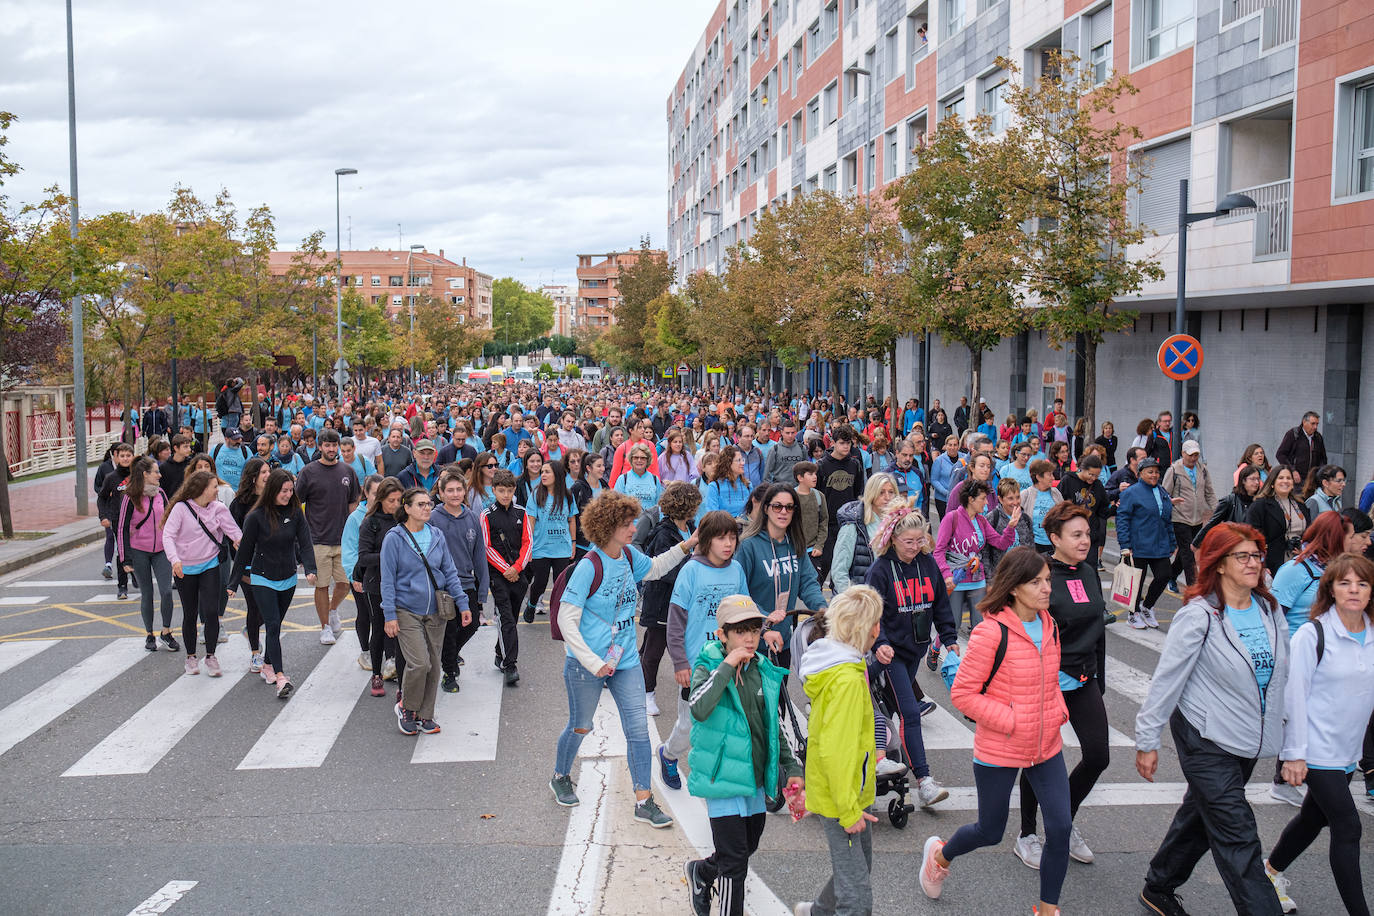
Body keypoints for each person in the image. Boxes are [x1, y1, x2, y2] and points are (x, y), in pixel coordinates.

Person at [1134, 523, 1289, 916]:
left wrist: (1294, 742)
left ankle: (1159, 886)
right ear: (1218, 564)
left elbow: (1284, 678)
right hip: (1203, 735)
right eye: (1243, 556)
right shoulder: (1200, 615)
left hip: (1247, 733)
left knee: (1203, 814)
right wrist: (1147, 740)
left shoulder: (1269, 609)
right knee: (1238, 833)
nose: (1254, 563)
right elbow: (1167, 681)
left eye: (1257, 554)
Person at [920, 547, 1071, 916]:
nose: (1046, 588)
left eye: (1048, 580)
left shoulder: (1049, 624)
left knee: (1061, 827)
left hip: (1045, 745)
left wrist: (1057, 712)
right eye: (1036, 582)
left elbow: (1048, 682)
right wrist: (1012, 720)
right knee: (990, 830)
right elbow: (963, 694)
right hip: (1001, 746)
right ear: (1015, 587)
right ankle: (940, 855)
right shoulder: (991, 633)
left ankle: (1048, 909)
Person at [548, 488, 696, 829]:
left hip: (626, 659)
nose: (634, 528)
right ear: (607, 527)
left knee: (639, 731)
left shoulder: (628, 556)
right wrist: (592, 661)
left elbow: (656, 567)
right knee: (580, 725)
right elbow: (566, 620)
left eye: (633, 522)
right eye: (627, 524)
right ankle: (560, 775)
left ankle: (643, 801)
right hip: (587, 664)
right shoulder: (589, 566)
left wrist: (688, 545)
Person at [1264, 553, 1374, 916]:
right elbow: (1293, 697)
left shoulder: (1372, 633)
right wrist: (1293, 754)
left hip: (1346, 751)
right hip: (1315, 749)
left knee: (1314, 818)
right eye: (1345, 583)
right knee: (1348, 825)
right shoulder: (1313, 635)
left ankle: (1270, 871)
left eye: (1362, 583)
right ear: (1330, 589)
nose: (1354, 590)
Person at [682, 592, 803, 916]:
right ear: (722, 634)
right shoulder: (708, 664)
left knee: (746, 848)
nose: (749, 637)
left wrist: (791, 767)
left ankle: (702, 872)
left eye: (753, 629)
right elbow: (698, 709)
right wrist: (726, 666)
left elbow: (771, 727)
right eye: (740, 631)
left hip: (754, 778)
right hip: (722, 777)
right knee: (735, 865)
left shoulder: (762, 668)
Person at [1013, 505, 1109, 871]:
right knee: (1037, 760)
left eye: (1087, 534)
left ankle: (1062, 824)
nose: (1085, 541)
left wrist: (1099, 678)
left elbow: (1099, 625)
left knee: (1098, 756)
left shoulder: (1088, 571)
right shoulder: (1038, 572)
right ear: (1054, 538)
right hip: (1046, 680)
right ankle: (1026, 835)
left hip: (1085, 678)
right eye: (1076, 535)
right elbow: (1020, 628)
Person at [794, 585, 884, 916]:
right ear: (868, 628)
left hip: (850, 792)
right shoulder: (846, 678)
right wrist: (848, 811)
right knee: (857, 900)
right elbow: (836, 751)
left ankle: (817, 911)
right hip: (841, 798)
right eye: (877, 622)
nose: (879, 629)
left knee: (857, 871)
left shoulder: (842, 663)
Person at [865, 504, 957, 808]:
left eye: (921, 541)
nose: (915, 547)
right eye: (909, 542)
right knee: (910, 712)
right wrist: (879, 641)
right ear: (893, 538)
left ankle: (881, 761)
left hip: (915, 649)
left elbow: (941, 605)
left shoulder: (927, 565)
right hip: (891, 655)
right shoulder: (879, 570)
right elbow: (870, 614)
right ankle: (925, 782)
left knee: (889, 714)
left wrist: (949, 639)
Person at [660, 510, 753, 790]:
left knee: (727, 720)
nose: (728, 544)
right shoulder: (691, 570)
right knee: (690, 724)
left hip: (730, 659)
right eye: (721, 538)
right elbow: (676, 620)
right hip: (697, 664)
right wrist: (680, 663)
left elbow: (745, 610)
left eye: (733, 538)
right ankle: (668, 754)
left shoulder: (736, 570)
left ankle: (718, 771)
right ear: (707, 540)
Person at [1268, 512, 1348, 807]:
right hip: (1298, 656)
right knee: (1296, 715)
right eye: (1353, 537)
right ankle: (1283, 779)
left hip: (1328, 657)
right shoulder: (1295, 570)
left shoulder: (1339, 571)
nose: (1362, 543)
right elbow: (1275, 616)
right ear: (1335, 539)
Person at [380, 487, 472, 737]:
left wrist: (463, 604)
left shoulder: (437, 535)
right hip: (406, 609)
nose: (426, 508)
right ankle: (407, 707)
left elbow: (450, 572)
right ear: (407, 508)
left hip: (436, 610)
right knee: (419, 662)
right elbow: (387, 580)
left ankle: (425, 714)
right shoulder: (394, 538)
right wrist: (389, 615)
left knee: (433, 664)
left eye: (429, 504)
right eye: (420, 504)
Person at [227, 468, 316, 698]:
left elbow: (305, 543)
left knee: (275, 626)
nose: (288, 494)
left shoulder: (296, 513)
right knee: (273, 625)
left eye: (290, 490)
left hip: (287, 577)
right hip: (262, 577)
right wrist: (233, 582)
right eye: (283, 491)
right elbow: (244, 551)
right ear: (272, 490)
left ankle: (268, 664)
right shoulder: (255, 517)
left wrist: (310, 569)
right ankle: (280, 677)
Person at [735, 481, 828, 671]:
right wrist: (763, 625)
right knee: (758, 700)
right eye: (777, 506)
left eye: (789, 507)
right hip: (752, 640)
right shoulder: (748, 546)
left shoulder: (795, 543)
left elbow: (808, 583)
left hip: (783, 639)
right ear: (766, 509)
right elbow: (739, 594)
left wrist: (823, 610)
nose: (783, 511)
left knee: (778, 695)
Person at [162, 470, 242, 676]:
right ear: (202, 489)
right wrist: (175, 559)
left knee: (211, 611)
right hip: (185, 567)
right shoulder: (181, 508)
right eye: (214, 487)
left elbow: (234, 532)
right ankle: (190, 657)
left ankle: (211, 656)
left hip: (209, 565)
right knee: (190, 613)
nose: (218, 490)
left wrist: (241, 543)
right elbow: (168, 535)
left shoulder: (219, 509)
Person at [639, 482, 702, 717]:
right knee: (654, 650)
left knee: (674, 645)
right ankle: (647, 693)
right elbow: (663, 569)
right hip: (662, 601)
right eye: (694, 503)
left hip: (685, 600)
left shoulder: (691, 527)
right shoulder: (664, 532)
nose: (697, 507)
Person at [295, 428, 362, 645]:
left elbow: (354, 502)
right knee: (322, 585)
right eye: (327, 445)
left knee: (344, 583)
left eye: (335, 446)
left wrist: (353, 532)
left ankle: (333, 610)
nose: (332, 449)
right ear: (320, 446)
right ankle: (324, 627)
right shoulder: (308, 472)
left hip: (344, 540)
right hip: (318, 539)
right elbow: (297, 502)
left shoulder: (348, 471)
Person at [430, 469, 489, 694]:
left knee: (472, 624)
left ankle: (451, 655)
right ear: (442, 493)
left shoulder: (472, 518)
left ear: (465, 491)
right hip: (442, 586)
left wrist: (482, 589)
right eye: (450, 490)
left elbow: (479, 556)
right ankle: (449, 672)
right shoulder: (434, 518)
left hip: (466, 583)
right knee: (450, 629)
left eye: (459, 489)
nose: (455, 494)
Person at [936, 478, 1020, 635]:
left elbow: (1001, 543)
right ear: (970, 499)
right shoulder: (952, 518)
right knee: (952, 625)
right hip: (956, 580)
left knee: (980, 626)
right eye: (983, 498)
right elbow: (939, 550)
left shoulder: (981, 520)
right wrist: (947, 575)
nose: (987, 503)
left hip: (977, 580)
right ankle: (936, 650)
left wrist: (1010, 527)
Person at [116, 457, 177, 652]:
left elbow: (170, 521)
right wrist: (125, 558)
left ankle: (166, 631)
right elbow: (122, 528)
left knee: (167, 591)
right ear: (145, 474)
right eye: (156, 472)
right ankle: (149, 634)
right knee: (147, 593)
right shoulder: (129, 496)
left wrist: (176, 550)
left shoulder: (161, 493)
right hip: (139, 551)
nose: (160, 475)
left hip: (161, 550)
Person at [481, 468, 532, 686]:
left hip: (518, 573)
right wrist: (505, 569)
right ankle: (510, 664)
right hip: (498, 574)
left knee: (511, 616)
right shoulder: (486, 515)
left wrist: (518, 567)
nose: (505, 495)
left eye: (509, 491)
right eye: (501, 491)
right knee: (507, 618)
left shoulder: (521, 513)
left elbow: (528, 542)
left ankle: (499, 652)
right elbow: (487, 547)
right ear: (493, 490)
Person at [354, 478, 404, 697]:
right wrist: (388, 556)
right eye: (391, 500)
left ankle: (400, 676)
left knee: (401, 630)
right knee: (380, 626)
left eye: (399, 500)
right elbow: (363, 557)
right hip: (376, 584)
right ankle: (376, 673)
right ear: (381, 499)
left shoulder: (404, 519)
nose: (396, 505)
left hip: (402, 583)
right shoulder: (371, 522)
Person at [1116, 458, 1175, 629]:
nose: (1154, 475)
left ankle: (1147, 607)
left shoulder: (1162, 491)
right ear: (1140, 473)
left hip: (1160, 544)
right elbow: (1123, 519)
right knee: (1137, 582)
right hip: (1138, 546)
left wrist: (1171, 542)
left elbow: (1167, 519)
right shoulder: (1131, 492)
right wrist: (1125, 545)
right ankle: (1133, 614)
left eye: (1157, 472)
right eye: (1150, 472)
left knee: (1164, 575)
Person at [522, 460, 579, 623]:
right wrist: (529, 545)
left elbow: (571, 519)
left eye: (547, 472)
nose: (543, 475)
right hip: (541, 547)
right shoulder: (536, 494)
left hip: (562, 547)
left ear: (557, 474)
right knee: (540, 582)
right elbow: (531, 520)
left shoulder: (567, 495)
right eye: (542, 472)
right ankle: (532, 604)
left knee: (561, 583)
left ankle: (559, 615)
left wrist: (573, 542)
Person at [229, 458, 272, 672]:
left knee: (271, 609)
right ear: (253, 476)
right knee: (254, 607)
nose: (267, 475)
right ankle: (256, 653)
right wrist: (239, 564)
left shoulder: (273, 499)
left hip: (271, 562)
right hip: (248, 565)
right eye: (263, 472)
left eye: (269, 471)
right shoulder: (240, 504)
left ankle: (250, 629)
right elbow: (232, 536)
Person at [1162, 440, 1217, 590]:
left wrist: (1217, 511)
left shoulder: (1203, 470)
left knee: (1186, 551)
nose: (1193, 458)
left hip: (1197, 519)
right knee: (1188, 553)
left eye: (1196, 455)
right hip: (1180, 517)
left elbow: (1209, 492)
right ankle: (1194, 588)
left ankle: (1171, 576)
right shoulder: (1174, 470)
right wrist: (1171, 502)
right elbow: (1164, 493)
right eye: (1191, 455)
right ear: (1183, 453)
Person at [831, 473, 899, 593]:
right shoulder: (853, 524)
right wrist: (854, 602)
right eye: (881, 492)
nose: (887, 497)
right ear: (871, 493)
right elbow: (839, 571)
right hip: (861, 600)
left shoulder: (900, 523)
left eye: (891, 492)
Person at [816, 426, 866, 583]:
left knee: (846, 567)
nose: (846, 446)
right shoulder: (822, 465)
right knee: (825, 565)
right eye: (842, 443)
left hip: (849, 523)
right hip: (828, 524)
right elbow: (816, 495)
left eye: (849, 443)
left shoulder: (855, 464)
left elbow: (859, 492)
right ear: (833, 443)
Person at [1246, 465, 1311, 575]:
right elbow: (1252, 537)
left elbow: (1310, 531)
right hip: (1273, 564)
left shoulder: (1301, 504)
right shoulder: (1260, 505)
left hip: (1301, 562)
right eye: (1281, 478)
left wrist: (1305, 549)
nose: (1285, 481)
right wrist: (1261, 564)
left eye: (1288, 478)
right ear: (1272, 482)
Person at [97, 443, 136, 598]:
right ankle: (122, 586)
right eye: (122, 456)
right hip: (119, 521)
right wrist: (103, 516)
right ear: (116, 457)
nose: (125, 459)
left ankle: (136, 575)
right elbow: (102, 498)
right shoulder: (111, 478)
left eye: (128, 455)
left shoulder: (137, 475)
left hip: (137, 521)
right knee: (122, 552)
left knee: (137, 551)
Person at [1195, 465, 1263, 547]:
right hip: (1233, 545)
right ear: (1243, 481)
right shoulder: (1230, 501)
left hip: (1253, 546)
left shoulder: (1261, 502)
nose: (1256, 482)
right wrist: (1196, 543)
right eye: (1252, 479)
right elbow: (1213, 522)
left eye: (1258, 479)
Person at [1017, 459, 1064, 554]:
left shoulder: (1056, 493)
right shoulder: (1025, 495)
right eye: (1049, 474)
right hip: (1033, 546)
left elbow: (1063, 515)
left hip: (1054, 544)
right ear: (1038, 477)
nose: (1053, 478)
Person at [793, 461, 829, 577]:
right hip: (793, 551)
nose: (815, 477)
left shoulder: (819, 496)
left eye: (815, 474)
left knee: (815, 584)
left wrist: (819, 545)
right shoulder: (791, 496)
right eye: (810, 474)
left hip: (813, 551)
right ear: (800, 477)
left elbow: (823, 522)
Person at [1275, 411, 1326, 485]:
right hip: (1296, 480)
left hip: (1312, 481)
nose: (1315, 427)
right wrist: (1292, 470)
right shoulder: (1293, 434)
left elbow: (1323, 458)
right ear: (1304, 422)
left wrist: (1319, 473)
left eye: (1317, 424)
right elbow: (1280, 455)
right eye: (1313, 424)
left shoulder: (1318, 437)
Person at [702, 445, 751, 517]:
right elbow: (712, 516)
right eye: (738, 460)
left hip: (746, 526)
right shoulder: (714, 487)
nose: (742, 463)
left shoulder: (748, 485)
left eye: (742, 460)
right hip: (723, 527)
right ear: (728, 463)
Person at [614, 441, 664, 511]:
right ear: (631, 459)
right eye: (636, 457)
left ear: (648, 460)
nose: (639, 460)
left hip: (650, 521)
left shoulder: (655, 479)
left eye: (643, 458)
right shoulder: (622, 479)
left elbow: (660, 506)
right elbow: (616, 505)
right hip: (630, 521)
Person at [764, 418, 806, 484]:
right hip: (780, 489)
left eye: (792, 433)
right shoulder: (775, 449)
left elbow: (806, 470)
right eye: (787, 433)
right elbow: (767, 473)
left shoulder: (802, 448)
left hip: (798, 489)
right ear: (782, 432)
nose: (790, 436)